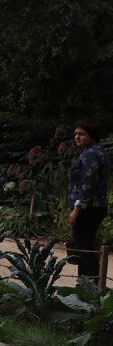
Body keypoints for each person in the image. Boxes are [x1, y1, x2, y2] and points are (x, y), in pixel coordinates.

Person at [68, 119, 110, 280]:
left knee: (84, 251)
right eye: (76, 134)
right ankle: (84, 287)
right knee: (84, 249)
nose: (77, 137)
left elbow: (88, 185)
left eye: (82, 134)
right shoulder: (98, 152)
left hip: (88, 209)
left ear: (92, 136)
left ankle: (94, 288)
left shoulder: (91, 155)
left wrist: (77, 209)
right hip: (94, 208)